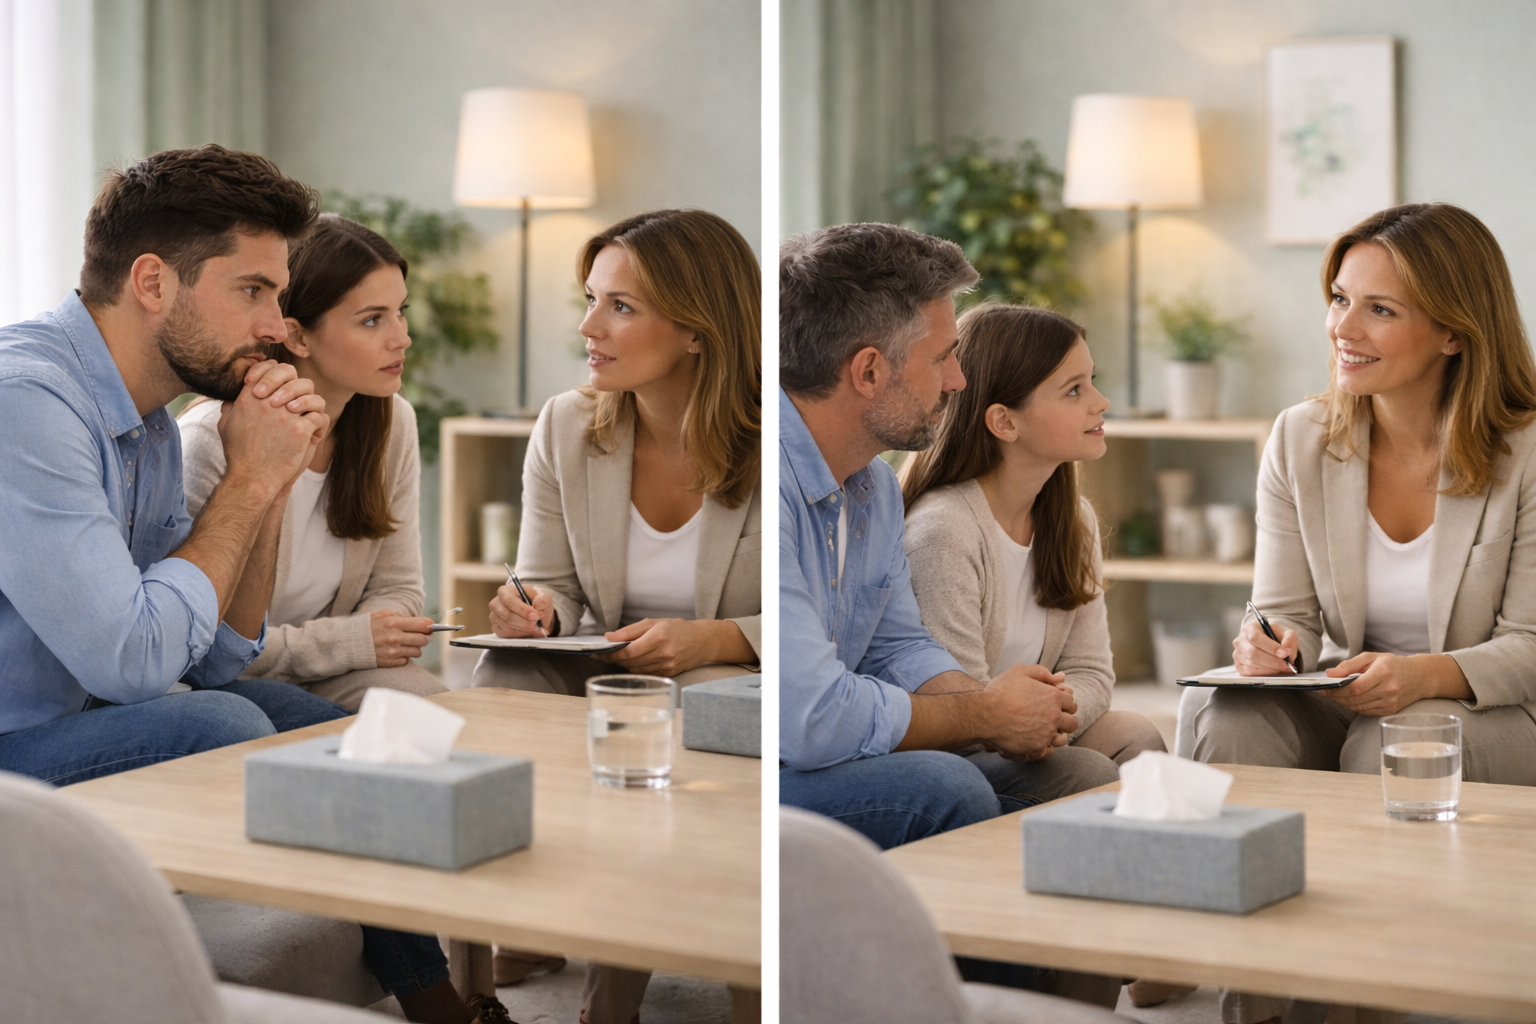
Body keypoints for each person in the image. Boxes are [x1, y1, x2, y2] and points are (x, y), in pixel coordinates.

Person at [0, 145, 508, 1024]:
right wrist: (245, 482)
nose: (280, 325)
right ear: (153, 283)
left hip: (84, 718)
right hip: (19, 742)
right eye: (254, 292)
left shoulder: (150, 420)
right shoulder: (28, 402)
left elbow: (222, 655)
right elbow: (133, 663)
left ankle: (440, 1007)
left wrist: (268, 479)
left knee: (351, 732)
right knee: (229, 726)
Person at [1194, 202, 1536, 1024]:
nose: (1345, 327)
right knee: (1230, 711)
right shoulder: (1301, 437)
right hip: (1349, 691)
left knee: (1397, 731)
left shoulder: (1527, 453)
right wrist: (1271, 644)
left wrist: (1423, 674)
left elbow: (1530, 644)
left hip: (1496, 708)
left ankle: (1364, 992)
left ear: (1455, 332)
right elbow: (1284, 609)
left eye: (1380, 309)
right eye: (1340, 299)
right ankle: (1257, 989)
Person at [472, 208, 760, 1024]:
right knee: (505, 670)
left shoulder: (781, 443)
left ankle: (619, 992)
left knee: (689, 702)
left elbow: (825, 620)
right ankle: (519, 918)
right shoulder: (568, 425)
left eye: (620, 307)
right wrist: (536, 612)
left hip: (728, 670)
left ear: (699, 331)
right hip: (603, 661)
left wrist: (713, 637)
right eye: (590, 299)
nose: (588, 326)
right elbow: (551, 583)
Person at [778, 222, 1118, 841]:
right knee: (947, 788)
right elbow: (813, 719)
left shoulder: (871, 487)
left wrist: (1006, 716)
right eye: (942, 358)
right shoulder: (769, 484)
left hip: (833, 748)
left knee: (1082, 781)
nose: (958, 380)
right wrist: (985, 712)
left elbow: (898, 648)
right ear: (870, 372)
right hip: (764, 763)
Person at [179, 213, 443, 710]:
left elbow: (398, 589)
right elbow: (198, 646)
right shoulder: (207, 439)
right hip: (222, 684)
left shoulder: (392, 424)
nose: (402, 337)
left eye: (400, 311)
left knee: (434, 707)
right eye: (372, 319)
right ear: (297, 337)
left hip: (329, 673)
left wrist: (371, 637)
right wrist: (352, 641)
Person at [900, 302, 1165, 766]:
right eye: (1073, 391)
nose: (1100, 403)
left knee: (1137, 734)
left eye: (1093, 382)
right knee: (1086, 767)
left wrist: (1045, 719)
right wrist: (1022, 723)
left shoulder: (1073, 520)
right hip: (962, 755)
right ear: (1005, 421)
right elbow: (956, 709)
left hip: (1033, 736)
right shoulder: (943, 532)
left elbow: (1091, 672)